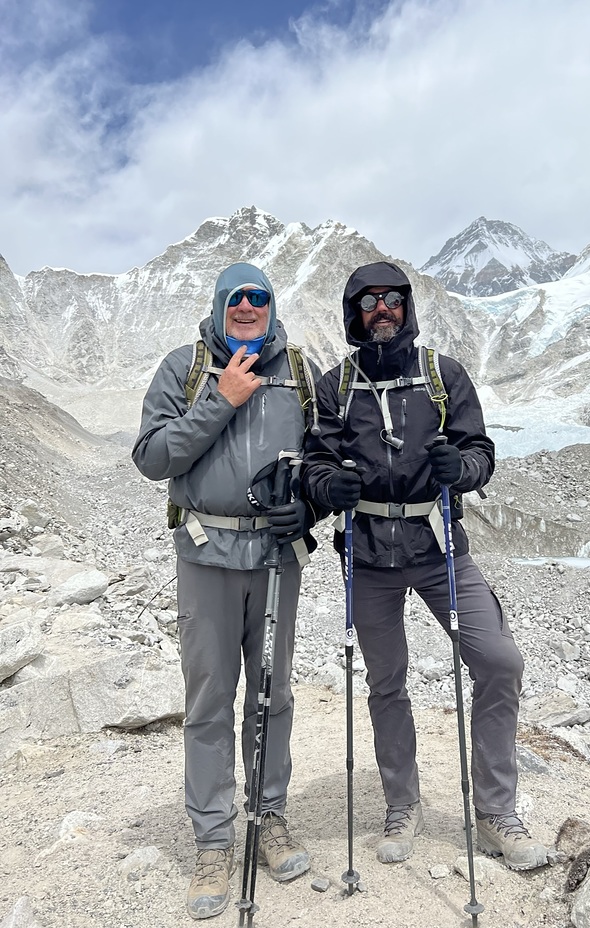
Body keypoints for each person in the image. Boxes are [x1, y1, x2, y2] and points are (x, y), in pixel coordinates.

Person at [301, 261, 548, 871]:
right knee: (386, 682)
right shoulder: (336, 387)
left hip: (438, 549)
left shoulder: (442, 375)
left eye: (391, 299)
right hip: (367, 554)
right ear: (354, 314)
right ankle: (401, 804)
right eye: (368, 302)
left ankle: (494, 813)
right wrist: (329, 484)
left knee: (497, 661)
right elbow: (314, 461)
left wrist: (460, 471)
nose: (381, 309)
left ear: (407, 307)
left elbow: (480, 451)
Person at [132, 262, 320, 919]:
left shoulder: (298, 372)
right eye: (235, 297)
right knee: (211, 697)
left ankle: (269, 817)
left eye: (259, 297)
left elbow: (324, 460)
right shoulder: (184, 368)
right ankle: (214, 840)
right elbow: (153, 457)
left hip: (276, 556)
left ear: (271, 306)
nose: (247, 305)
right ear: (218, 305)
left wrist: (312, 510)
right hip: (206, 556)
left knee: (273, 693)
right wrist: (222, 400)